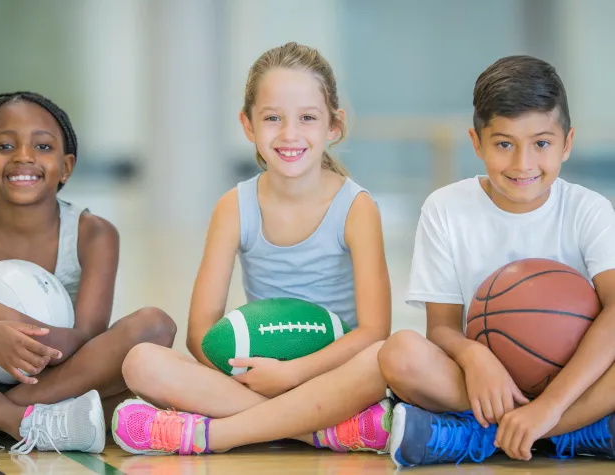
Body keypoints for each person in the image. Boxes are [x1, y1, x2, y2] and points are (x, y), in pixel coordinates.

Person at [112, 42, 393, 455]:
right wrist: (249, 374)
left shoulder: (356, 207)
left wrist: (293, 374)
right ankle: (321, 432)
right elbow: (200, 333)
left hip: (332, 376)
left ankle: (213, 434)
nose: (289, 134)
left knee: (383, 357)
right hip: (258, 375)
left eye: (308, 118)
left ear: (334, 126)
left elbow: (374, 332)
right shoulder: (235, 207)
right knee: (140, 362)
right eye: (273, 118)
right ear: (248, 125)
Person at [378, 56, 615, 466]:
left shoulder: (587, 209)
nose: (523, 164)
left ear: (567, 142)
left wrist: (550, 407)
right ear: (477, 143)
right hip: (487, 385)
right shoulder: (446, 208)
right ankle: (577, 432)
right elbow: (442, 329)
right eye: (504, 144)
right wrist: (475, 357)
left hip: (574, 383)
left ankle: (488, 435)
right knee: (399, 353)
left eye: (541, 143)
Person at [0, 92, 177, 453]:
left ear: (66, 166)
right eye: (5, 145)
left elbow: (86, 340)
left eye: (42, 146)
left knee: (155, 325)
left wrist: (13, 321)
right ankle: (24, 424)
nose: (24, 156)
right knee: (129, 402)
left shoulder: (94, 233)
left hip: (59, 378)